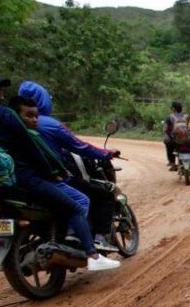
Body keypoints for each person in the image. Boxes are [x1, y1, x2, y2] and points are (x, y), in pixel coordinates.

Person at [0, 68, 119, 271]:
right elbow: (31, 147)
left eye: (0, 85)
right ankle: (92, 255)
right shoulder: (4, 114)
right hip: (24, 176)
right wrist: (50, 174)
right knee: (76, 203)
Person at [16, 81, 118, 250]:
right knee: (101, 195)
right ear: (43, 100)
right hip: (50, 177)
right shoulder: (50, 124)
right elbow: (79, 146)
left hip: (22, 180)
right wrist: (106, 153)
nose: (34, 120)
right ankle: (93, 240)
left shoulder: (12, 122)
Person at [163, 100, 190, 171]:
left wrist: (167, 136)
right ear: (181, 108)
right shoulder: (188, 116)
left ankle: (172, 163)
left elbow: (165, 130)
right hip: (188, 141)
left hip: (176, 142)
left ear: (173, 109)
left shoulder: (169, 117)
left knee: (167, 142)